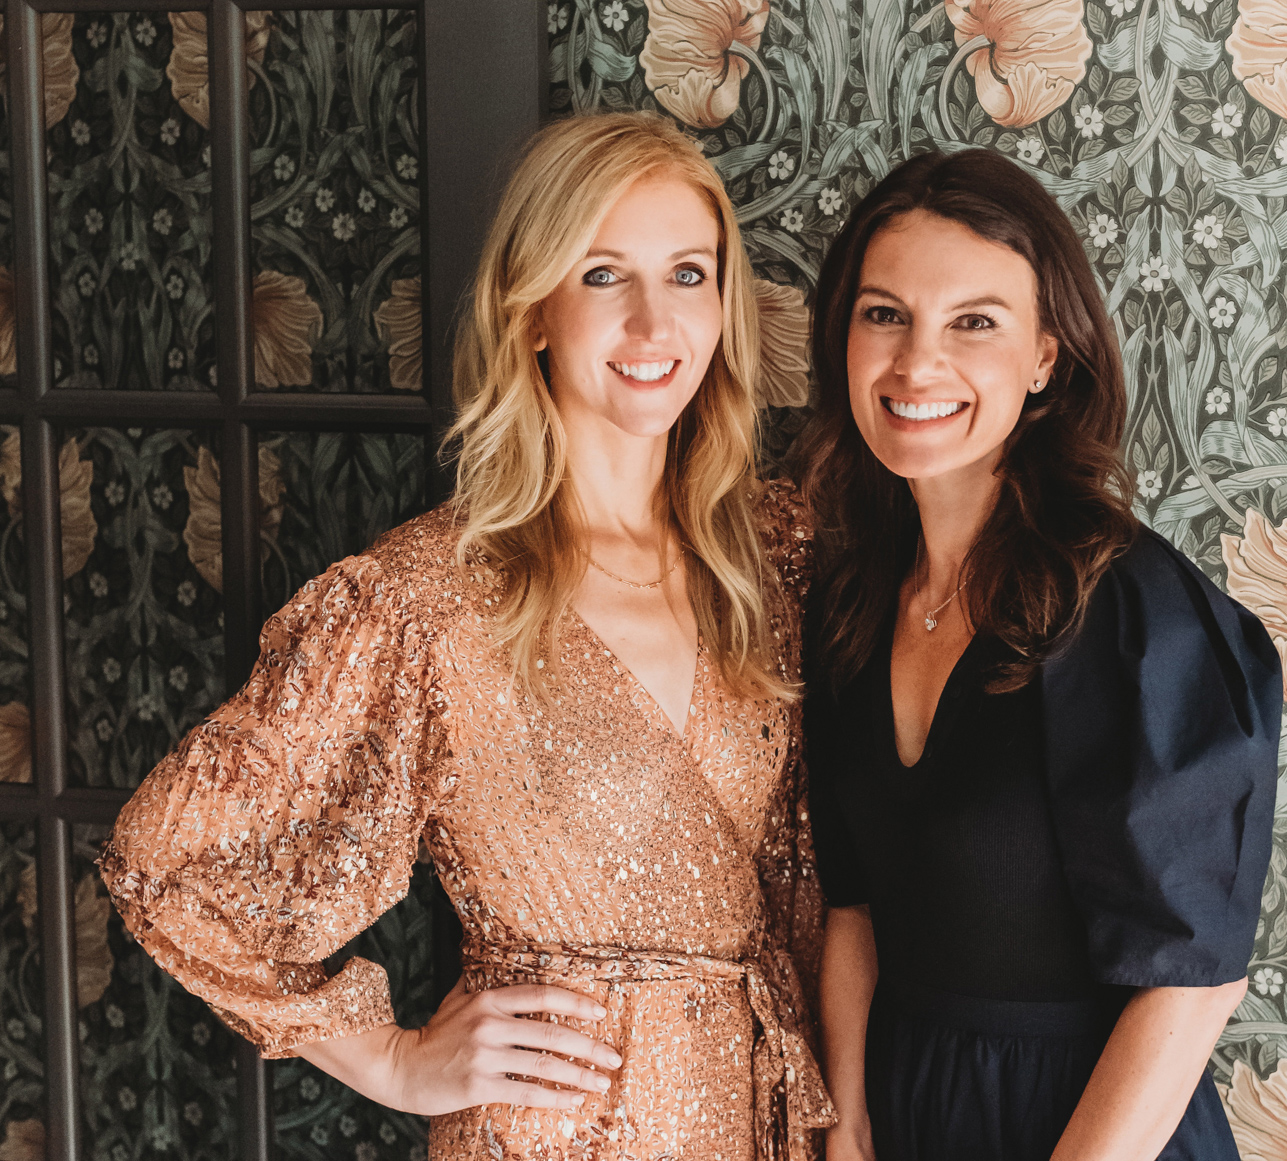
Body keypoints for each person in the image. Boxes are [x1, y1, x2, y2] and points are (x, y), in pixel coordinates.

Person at [100, 112, 834, 1161]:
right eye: (601, 275)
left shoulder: (778, 552)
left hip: (766, 1115)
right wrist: (388, 1058)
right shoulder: (421, 598)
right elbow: (164, 865)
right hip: (555, 1131)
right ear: (530, 309)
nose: (653, 322)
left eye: (687, 274)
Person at [800, 149, 1281, 1161]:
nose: (916, 365)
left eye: (974, 322)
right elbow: (853, 908)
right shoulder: (847, 601)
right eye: (884, 314)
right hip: (905, 1104)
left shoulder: (1133, 611)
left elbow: (1193, 986)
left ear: (1046, 358)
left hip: (1093, 1129)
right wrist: (846, 1126)